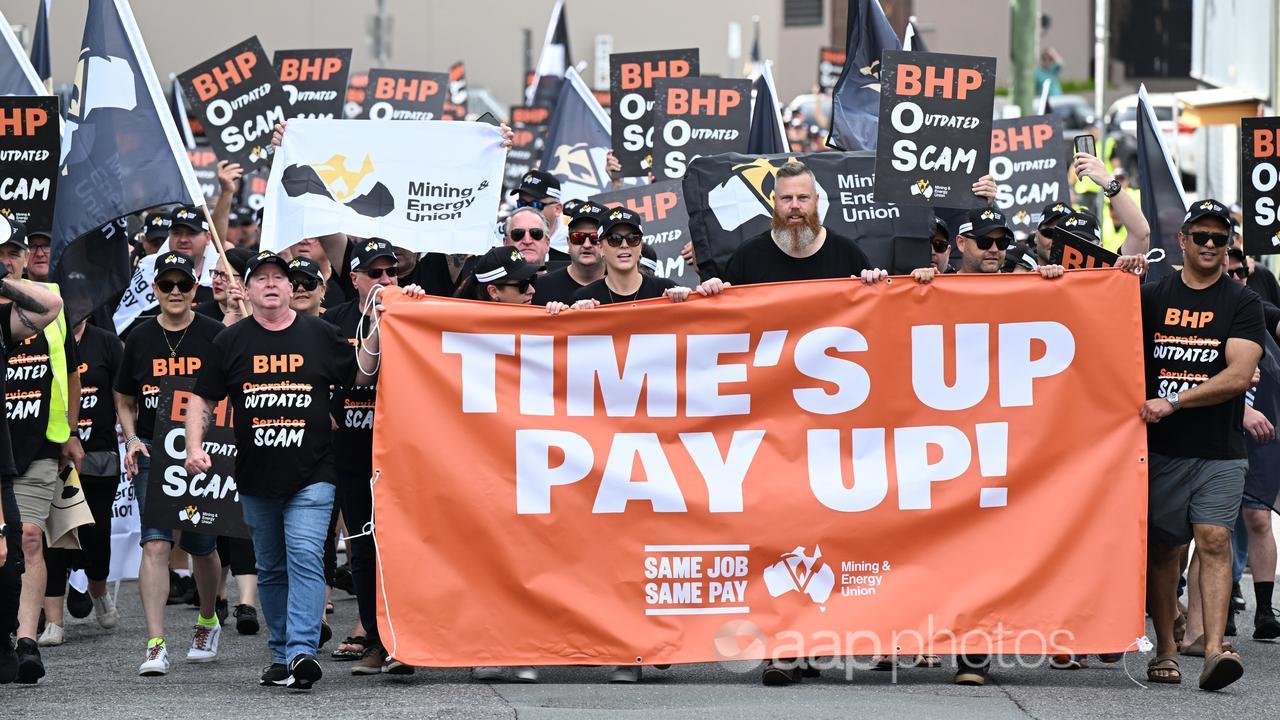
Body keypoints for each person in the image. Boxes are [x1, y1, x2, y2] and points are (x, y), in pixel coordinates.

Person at [185, 250, 402, 691]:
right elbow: (201, 399)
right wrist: (193, 446)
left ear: (290, 289)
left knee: (304, 555)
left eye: (278, 278)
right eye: (260, 278)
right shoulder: (230, 341)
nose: (270, 284)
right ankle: (282, 652)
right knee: (271, 568)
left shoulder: (320, 334)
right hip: (256, 476)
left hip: (315, 472)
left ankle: (302, 650)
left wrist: (378, 327)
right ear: (247, 291)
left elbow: (361, 375)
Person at [908, 206, 1066, 686]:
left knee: (988, 548)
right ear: (962, 245)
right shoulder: (928, 289)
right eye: (985, 241)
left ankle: (973, 653)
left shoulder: (1027, 286)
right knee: (935, 546)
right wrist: (908, 289)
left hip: (1000, 442)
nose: (996, 250)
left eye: (1001, 241)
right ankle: (922, 634)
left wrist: (1059, 283)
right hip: (940, 441)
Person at [1129, 199, 1262, 691]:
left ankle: (1212, 650)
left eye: (1219, 239)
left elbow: (1239, 373)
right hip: (1160, 449)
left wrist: (1175, 401)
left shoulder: (1241, 302)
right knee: (1165, 550)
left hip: (1218, 451)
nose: (1209, 245)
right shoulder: (1151, 296)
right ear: (1181, 241)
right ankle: (1166, 648)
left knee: (1214, 539)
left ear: (1228, 249)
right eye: (1200, 236)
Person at [114, 251, 226, 677]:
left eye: (184, 284)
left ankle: (207, 619)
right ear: (156, 289)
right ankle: (155, 643)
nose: (176, 292)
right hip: (154, 454)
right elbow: (123, 397)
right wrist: (133, 438)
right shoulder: (139, 337)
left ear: (196, 289)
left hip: (205, 455)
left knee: (201, 545)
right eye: (167, 285)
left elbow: (230, 391)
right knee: (156, 543)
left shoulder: (215, 334)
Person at [320, 239, 407, 677]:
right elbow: (348, 373)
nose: (386, 281)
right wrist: (376, 324)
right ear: (353, 279)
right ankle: (375, 640)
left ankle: (405, 642)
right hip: (353, 456)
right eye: (375, 274)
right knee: (364, 553)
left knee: (405, 551)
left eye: (391, 273)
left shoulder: (415, 312)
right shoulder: (335, 320)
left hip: (406, 458)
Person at [1, 216, 82, 684]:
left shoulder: (41, 298)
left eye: (14, 252)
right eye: (3, 252)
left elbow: (70, 370)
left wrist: (70, 432)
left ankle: (25, 638)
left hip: (35, 443)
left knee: (29, 536)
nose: (9, 259)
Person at [39, 319, 124, 646]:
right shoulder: (41, 336)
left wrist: (130, 440)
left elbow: (121, 398)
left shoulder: (105, 341)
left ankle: (98, 589)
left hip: (98, 455)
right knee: (55, 537)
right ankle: (54, 621)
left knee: (96, 535)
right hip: (52, 453)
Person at [1225, 248, 1280, 642]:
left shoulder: (1262, 313)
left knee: (1258, 516)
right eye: (1231, 272)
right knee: (1216, 524)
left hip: (1263, 435)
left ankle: (1264, 611)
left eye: (1243, 272)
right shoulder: (1207, 313)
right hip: (1219, 430)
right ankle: (1221, 605)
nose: (1238, 277)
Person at [722, 161, 876, 288]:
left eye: (803, 197)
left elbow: (872, 312)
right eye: (786, 198)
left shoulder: (847, 252)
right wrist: (714, 292)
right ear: (774, 201)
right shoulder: (748, 256)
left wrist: (875, 284)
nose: (795, 205)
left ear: (816, 200)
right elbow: (727, 315)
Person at [571, 208, 691, 308]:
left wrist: (689, 299)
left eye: (633, 238)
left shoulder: (665, 290)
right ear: (601, 247)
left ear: (640, 246)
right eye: (615, 239)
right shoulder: (585, 297)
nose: (624, 245)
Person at [531, 201, 608, 305]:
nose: (586, 245)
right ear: (568, 242)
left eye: (595, 238)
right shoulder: (539, 287)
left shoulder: (624, 287)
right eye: (578, 237)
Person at [1072, 153, 1150, 255]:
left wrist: (1107, 181)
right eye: (1074, 241)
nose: (1113, 210)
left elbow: (1141, 233)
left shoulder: (1135, 194)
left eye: (1122, 179)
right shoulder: (1104, 218)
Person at [509, 169, 569, 260]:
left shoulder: (575, 240)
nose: (528, 210)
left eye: (535, 205)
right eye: (522, 204)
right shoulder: (502, 232)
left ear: (557, 209)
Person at [195, 247, 251, 325]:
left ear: (247, 281)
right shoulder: (198, 316)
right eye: (215, 273)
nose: (216, 280)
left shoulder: (264, 315)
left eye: (225, 276)